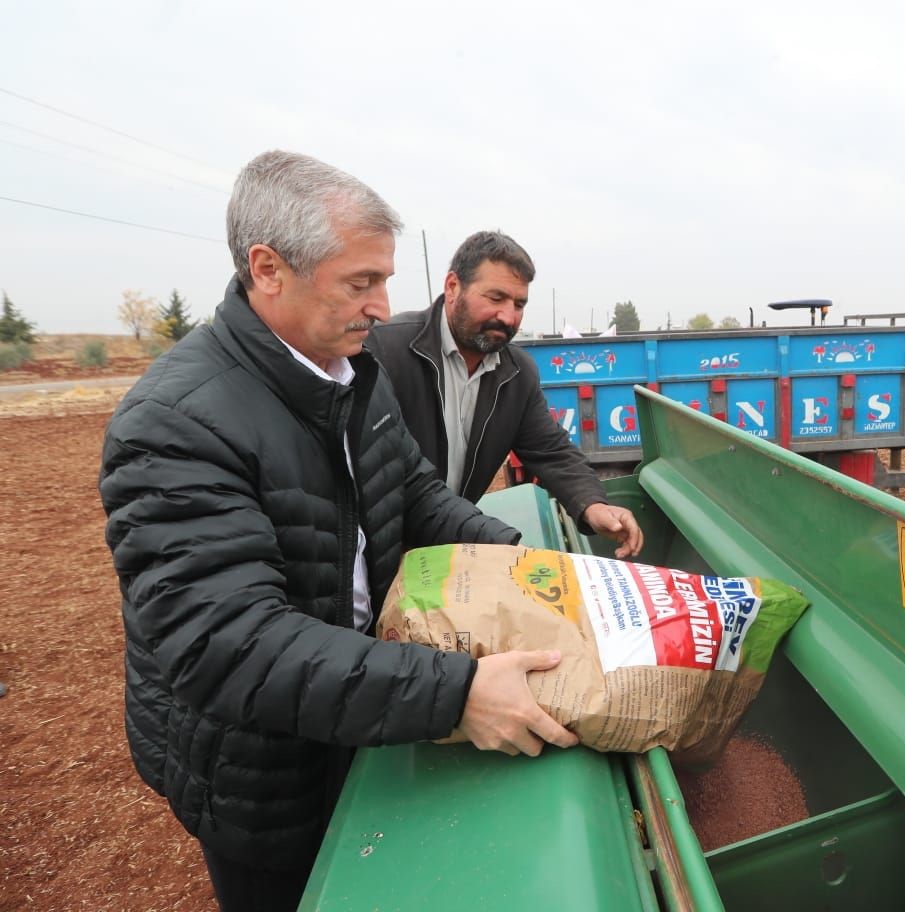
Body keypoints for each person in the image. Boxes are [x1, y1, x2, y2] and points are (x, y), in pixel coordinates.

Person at [99, 151, 577, 912]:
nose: (383, 307)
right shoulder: (175, 423)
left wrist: (518, 560)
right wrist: (456, 694)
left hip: (357, 706)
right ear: (268, 269)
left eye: (384, 279)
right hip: (261, 767)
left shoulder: (347, 372)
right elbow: (231, 645)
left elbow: (412, 490)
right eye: (362, 282)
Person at [368, 230, 644, 558]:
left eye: (519, 304)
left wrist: (593, 505)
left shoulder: (517, 373)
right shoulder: (387, 350)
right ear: (453, 286)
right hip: (381, 551)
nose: (508, 316)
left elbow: (551, 450)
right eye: (496, 298)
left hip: (444, 547)